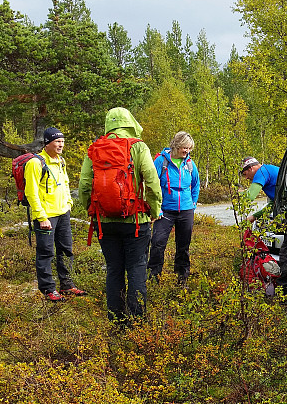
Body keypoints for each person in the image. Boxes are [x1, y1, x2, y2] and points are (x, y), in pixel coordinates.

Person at [77, 108, 162, 326]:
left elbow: (84, 185)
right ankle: (137, 323)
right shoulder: (138, 146)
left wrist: (94, 210)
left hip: (105, 223)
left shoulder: (95, 148)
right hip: (135, 222)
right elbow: (152, 182)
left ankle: (116, 320)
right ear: (130, 122)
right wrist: (154, 211)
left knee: (114, 269)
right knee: (136, 268)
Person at [24, 126, 85, 302]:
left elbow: (64, 184)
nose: (60, 145)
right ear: (47, 143)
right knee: (46, 252)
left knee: (66, 250)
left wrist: (69, 204)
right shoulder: (36, 163)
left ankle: (67, 284)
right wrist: (41, 217)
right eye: (57, 141)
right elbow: (31, 192)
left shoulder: (61, 161)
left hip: (63, 213)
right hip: (46, 216)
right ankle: (48, 289)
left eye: (62, 142)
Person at [240, 156, 287, 286]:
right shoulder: (270, 171)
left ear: (252, 168)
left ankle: (284, 287)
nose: (247, 178)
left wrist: (238, 193)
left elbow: (250, 196)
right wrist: (255, 216)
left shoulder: (262, 171)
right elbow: (274, 204)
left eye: (245, 174)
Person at [148, 131, 200, 285]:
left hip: (186, 210)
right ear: (176, 145)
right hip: (165, 210)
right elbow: (152, 185)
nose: (187, 151)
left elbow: (196, 184)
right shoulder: (160, 161)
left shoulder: (190, 164)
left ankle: (182, 277)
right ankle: (154, 277)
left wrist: (193, 203)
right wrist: (156, 208)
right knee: (157, 243)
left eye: (189, 148)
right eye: (185, 148)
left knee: (183, 246)